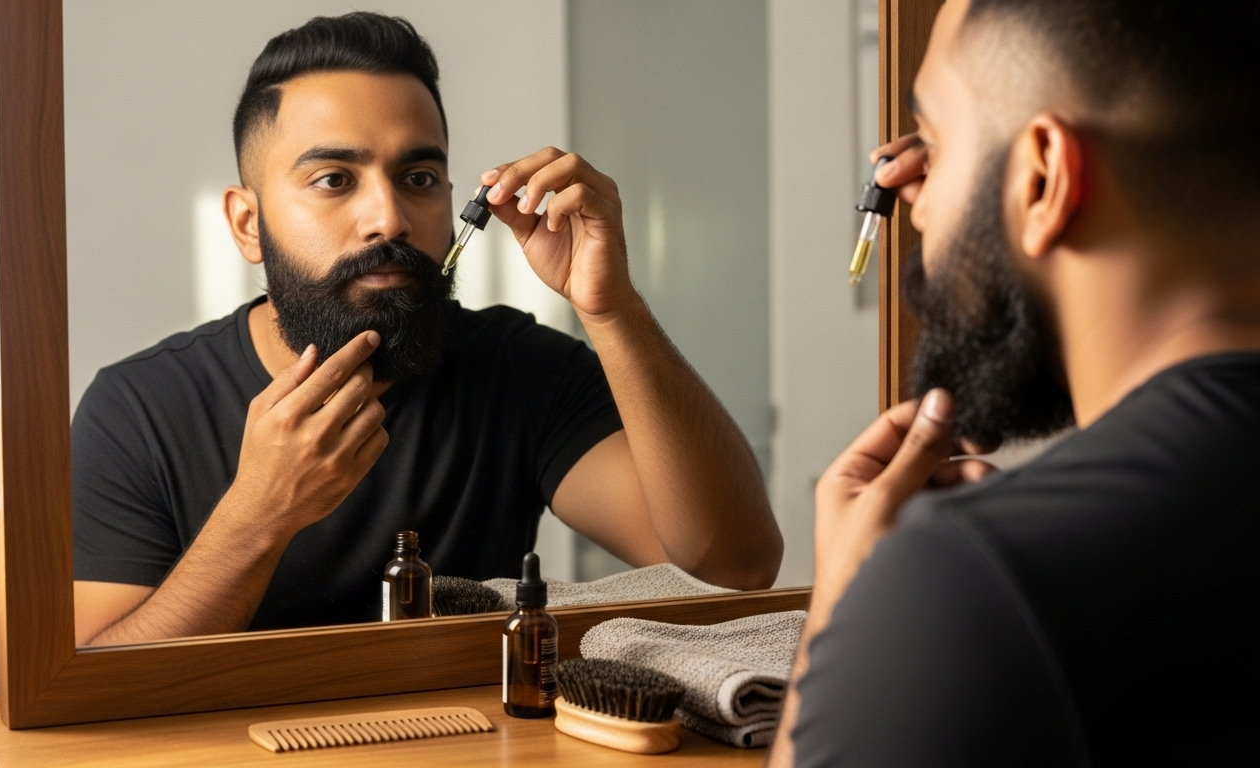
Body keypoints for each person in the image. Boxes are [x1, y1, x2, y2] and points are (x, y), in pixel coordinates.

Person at [71, 13, 781, 645]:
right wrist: (259, 514)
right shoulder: (136, 410)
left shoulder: (522, 370)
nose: (390, 218)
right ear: (247, 224)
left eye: (418, 177)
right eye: (334, 180)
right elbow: (91, 685)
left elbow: (737, 563)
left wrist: (613, 307)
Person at [770, 0, 1259, 764]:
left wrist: (847, 610)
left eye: (932, 142)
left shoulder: (964, 591)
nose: (915, 201)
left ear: (1041, 177)